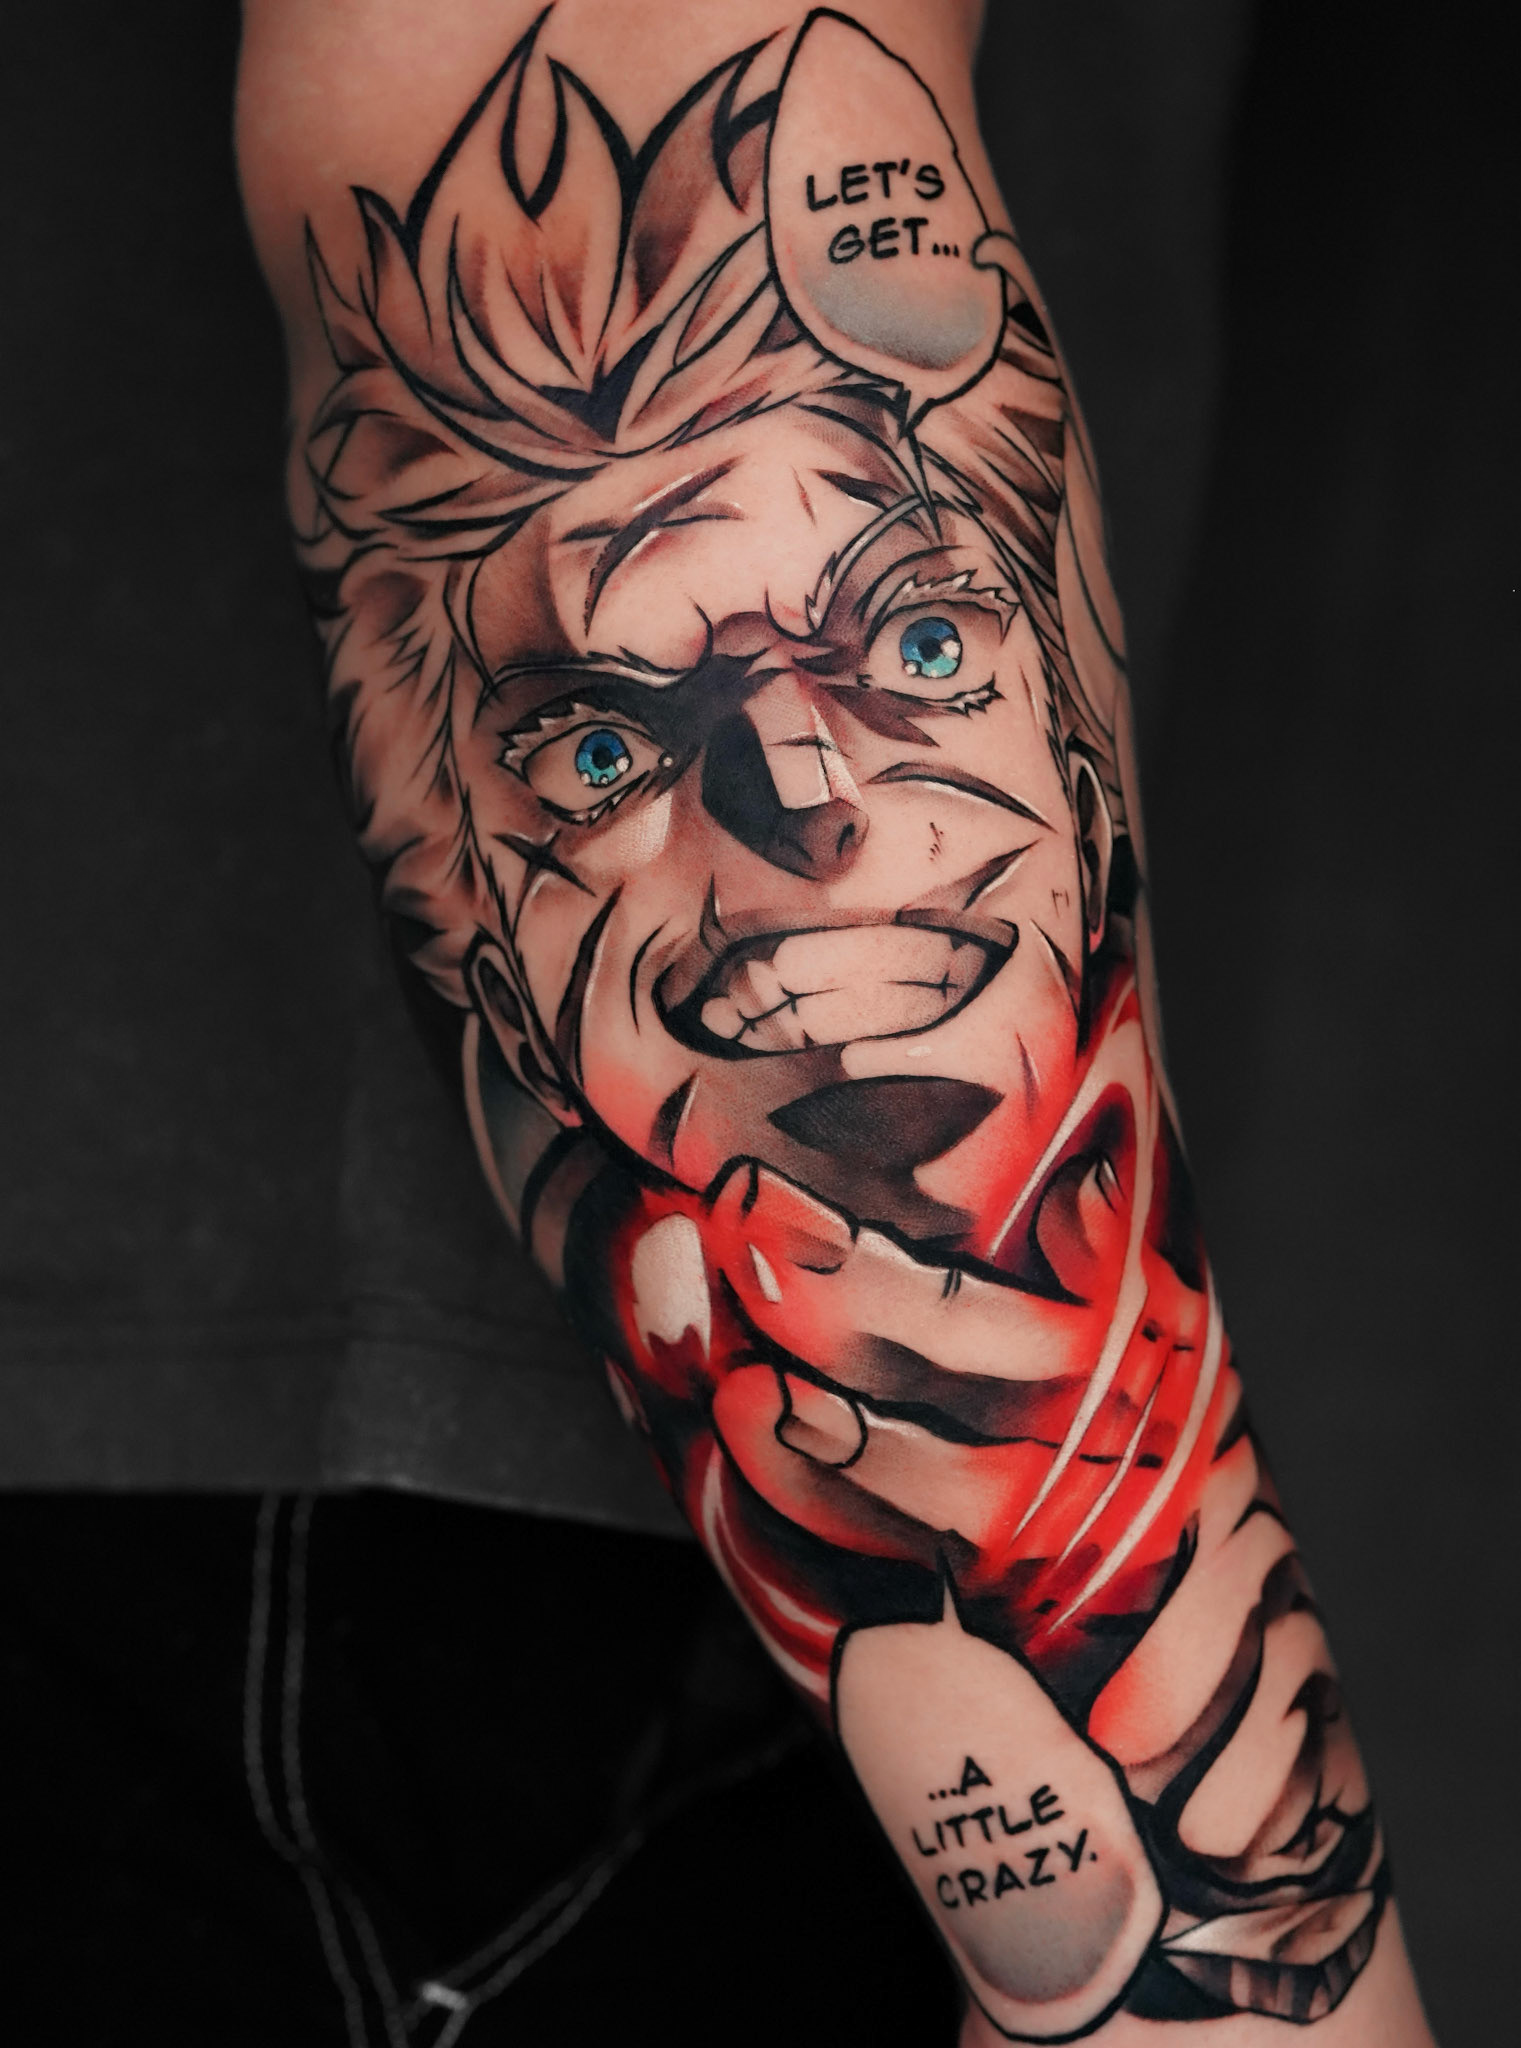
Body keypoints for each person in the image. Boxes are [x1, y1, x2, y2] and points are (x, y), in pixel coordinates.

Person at [238, 4, 1435, 2040]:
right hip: (455, 1585)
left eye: (923, 640)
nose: (805, 798)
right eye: (609, 745)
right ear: (484, 911)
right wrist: (1228, 2014)